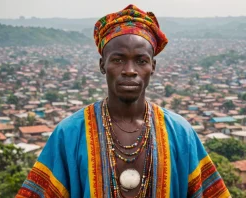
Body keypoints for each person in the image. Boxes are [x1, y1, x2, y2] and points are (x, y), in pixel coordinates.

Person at [16, 4, 230, 198]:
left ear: (152, 67)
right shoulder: (71, 133)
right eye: (118, 60)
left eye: (141, 61)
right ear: (102, 66)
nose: (129, 71)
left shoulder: (180, 133)